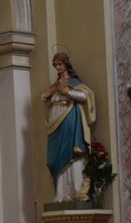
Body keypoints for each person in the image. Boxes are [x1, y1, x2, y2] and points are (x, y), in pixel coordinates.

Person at [42, 52, 96, 203]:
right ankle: (61, 193)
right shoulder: (56, 84)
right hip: (55, 119)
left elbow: (86, 96)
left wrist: (68, 92)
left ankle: (76, 191)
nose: (57, 67)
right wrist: (51, 92)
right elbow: (44, 97)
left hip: (69, 117)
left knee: (71, 153)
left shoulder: (74, 82)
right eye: (55, 65)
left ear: (66, 64)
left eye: (60, 64)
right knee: (56, 156)